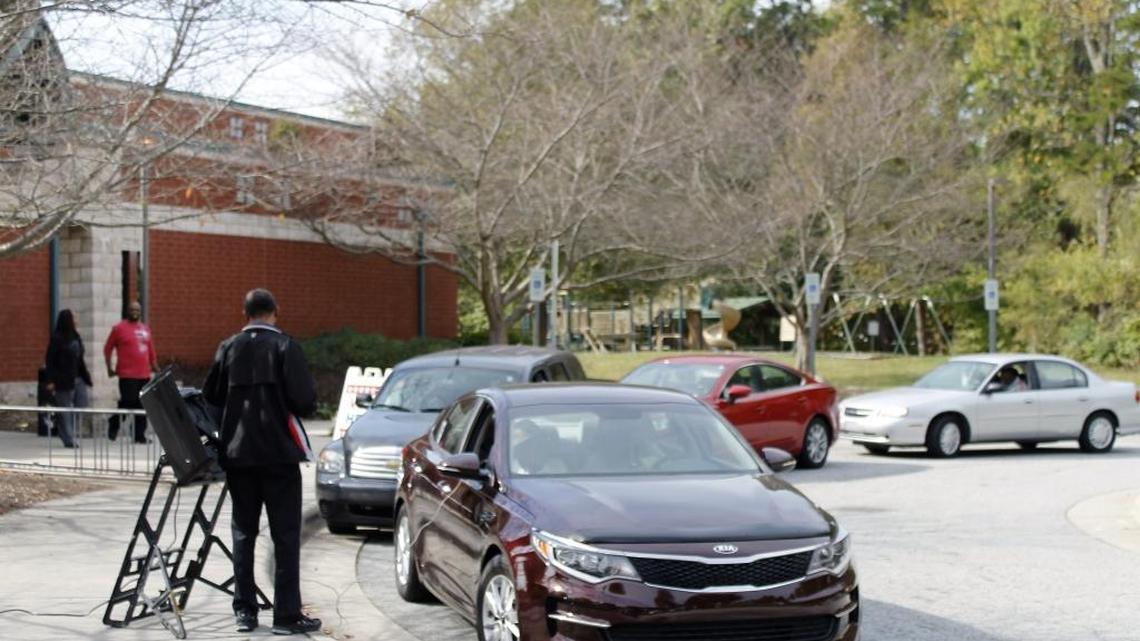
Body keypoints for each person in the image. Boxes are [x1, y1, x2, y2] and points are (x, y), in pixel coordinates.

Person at [202, 289, 320, 636]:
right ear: (275, 312)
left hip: (239, 455)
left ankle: (245, 612)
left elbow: (211, 396)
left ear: (245, 313)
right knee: (285, 535)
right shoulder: (286, 347)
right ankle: (285, 616)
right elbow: (305, 402)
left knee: (243, 533)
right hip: (279, 456)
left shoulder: (228, 347)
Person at [104, 301, 158, 443]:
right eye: (132, 309)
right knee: (128, 402)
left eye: (137, 310)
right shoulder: (119, 328)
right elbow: (107, 349)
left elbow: (151, 350)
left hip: (144, 374)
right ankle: (114, 422)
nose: (135, 312)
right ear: (127, 311)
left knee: (142, 405)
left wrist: (155, 366)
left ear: (140, 312)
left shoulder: (145, 329)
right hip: (127, 374)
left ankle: (139, 435)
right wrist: (109, 368)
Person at [44, 309, 93, 449]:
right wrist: (50, 380)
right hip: (62, 380)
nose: (77, 320)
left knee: (81, 405)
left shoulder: (76, 336)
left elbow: (80, 359)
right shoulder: (57, 338)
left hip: (78, 378)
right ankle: (69, 438)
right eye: (74, 317)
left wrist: (87, 377)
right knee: (64, 409)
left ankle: (68, 431)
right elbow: (50, 361)